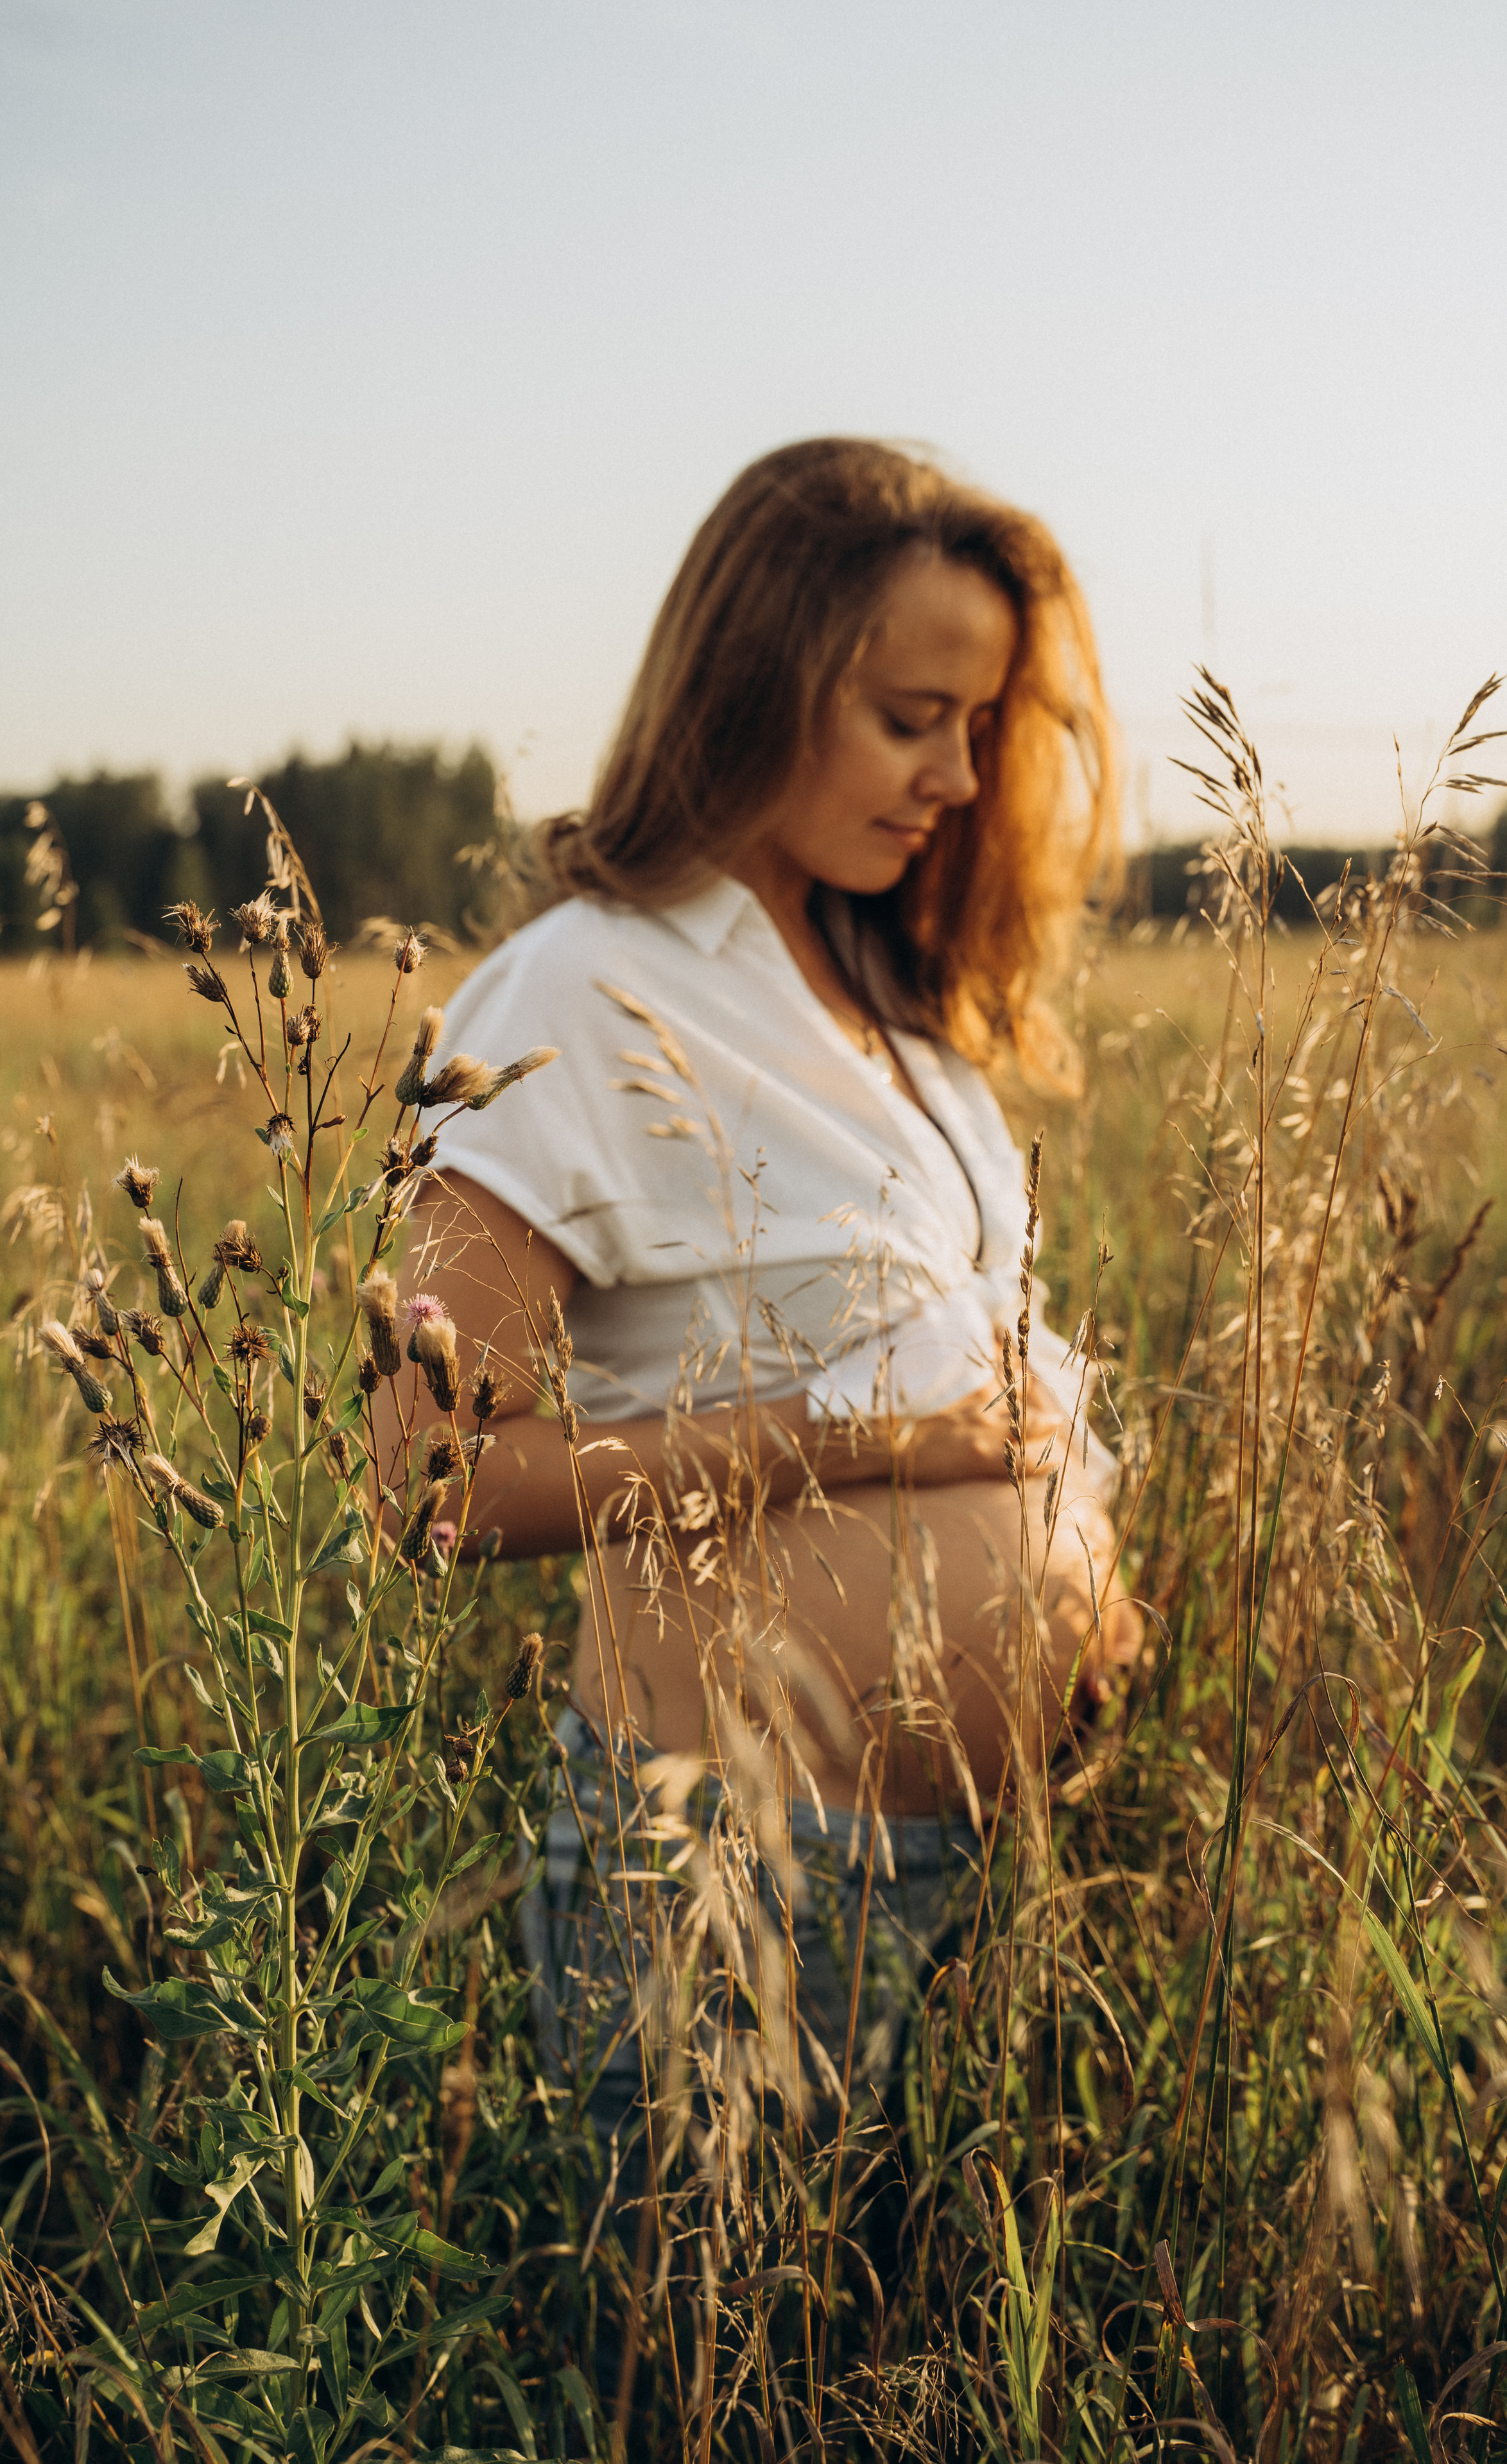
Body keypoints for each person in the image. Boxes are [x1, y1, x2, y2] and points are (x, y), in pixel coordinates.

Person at [386, 436, 1140, 2103]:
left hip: (1003, 1865)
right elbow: (425, 1488)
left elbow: (969, 1356)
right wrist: (841, 1445)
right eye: (906, 714)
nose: (953, 771)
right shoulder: (570, 994)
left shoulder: (897, 1000)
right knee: (708, 2371)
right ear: (754, 685)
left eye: (980, 721)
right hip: (735, 1873)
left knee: (908, 2365)